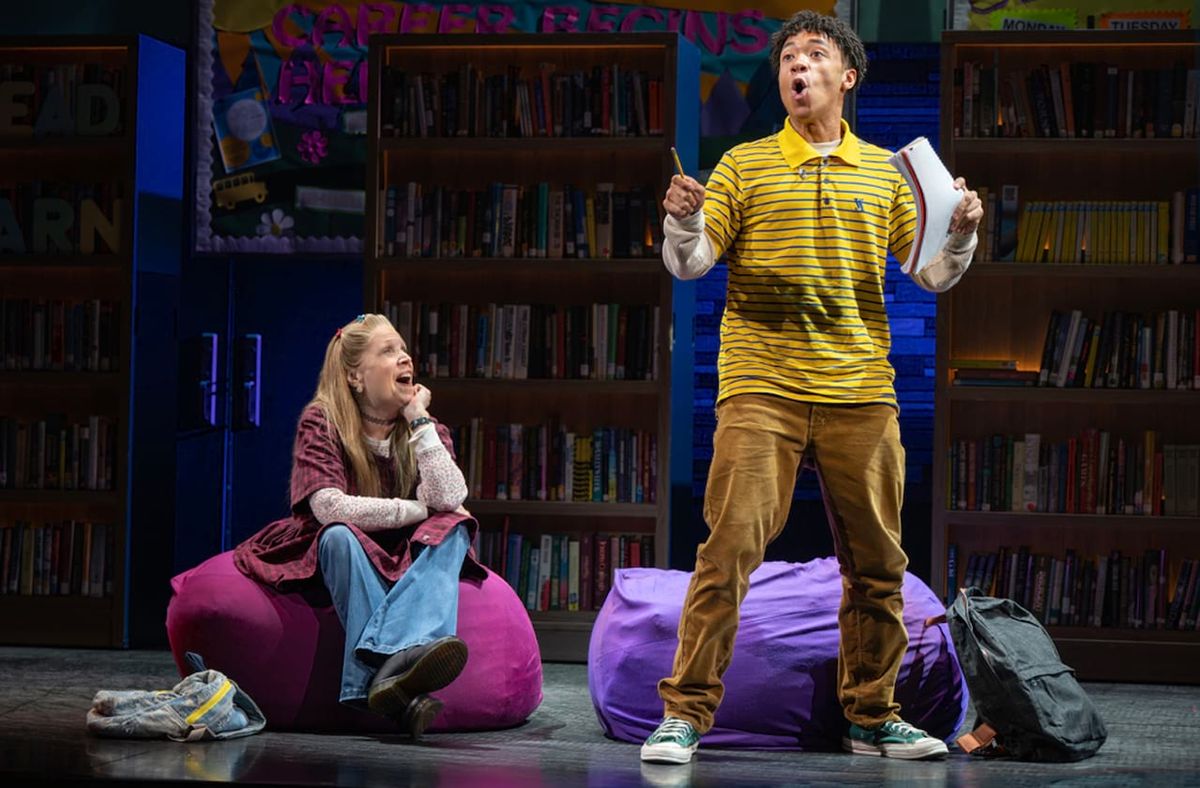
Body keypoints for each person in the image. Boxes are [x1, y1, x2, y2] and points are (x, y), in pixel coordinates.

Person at [640, 11, 982, 764]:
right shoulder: (744, 165)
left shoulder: (886, 173)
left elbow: (930, 273)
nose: (798, 67)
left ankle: (872, 717)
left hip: (860, 389)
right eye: (788, 57)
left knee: (878, 563)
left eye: (814, 55)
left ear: (846, 77)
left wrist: (959, 231)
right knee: (729, 549)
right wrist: (683, 223)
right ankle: (685, 714)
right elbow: (691, 264)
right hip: (761, 384)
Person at [233, 313, 485, 739]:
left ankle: (379, 676)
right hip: (346, 551)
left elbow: (448, 498)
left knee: (456, 526)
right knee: (338, 536)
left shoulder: (425, 428)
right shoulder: (322, 421)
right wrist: (415, 510)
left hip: (405, 553)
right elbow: (329, 507)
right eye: (388, 351)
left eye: (403, 349)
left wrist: (418, 419)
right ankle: (402, 667)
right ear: (355, 376)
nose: (405, 357)